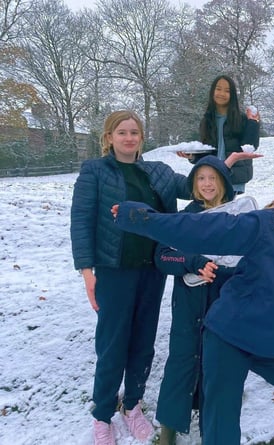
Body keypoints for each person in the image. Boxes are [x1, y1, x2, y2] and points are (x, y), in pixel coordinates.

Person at [112, 168, 274, 445]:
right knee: (222, 425)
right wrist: (143, 219)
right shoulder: (267, 225)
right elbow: (205, 230)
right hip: (229, 337)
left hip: (271, 344)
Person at [70, 110, 192, 445]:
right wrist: (87, 272)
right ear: (109, 137)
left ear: (141, 137)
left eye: (134, 132)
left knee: (143, 341)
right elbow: (81, 221)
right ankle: (102, 414)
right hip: (114, 271)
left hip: (152, 270)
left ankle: (133, 404)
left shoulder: (156, 172)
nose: (129, 138)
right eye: (121, 132)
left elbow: (198, 185)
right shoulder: (94, 171)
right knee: (112, 345)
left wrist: (225, 165)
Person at [153, 154, 259, 444]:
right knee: (182, 360)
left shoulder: (237, 213)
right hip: (190, 301)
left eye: (213, 177)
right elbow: (163, 255)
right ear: (194, 184)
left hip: (225, 301)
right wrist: (193, 261)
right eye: (201, 178)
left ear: (224, 181)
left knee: (217, 362)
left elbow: (254, 251)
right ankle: (170, 427)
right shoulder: (184, 216)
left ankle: (210, 418)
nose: (208, 183)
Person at [187, 74, 260, 194]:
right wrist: (192, 156)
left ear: (232, 95)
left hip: (234, 177)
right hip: (212, 177)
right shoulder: (207, 120)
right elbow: (206, 152)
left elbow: (249, 147)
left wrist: (253, 123)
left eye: (227, 91)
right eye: (218, 89)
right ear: (212, 91)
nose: (222, 93)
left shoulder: (241, 118)